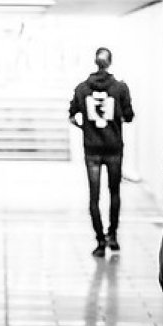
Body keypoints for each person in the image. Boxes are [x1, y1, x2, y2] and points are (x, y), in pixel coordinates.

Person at [69, 47, 135, 257]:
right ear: (110, 63)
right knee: (114, 192)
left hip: (92, 149)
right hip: (114, 147)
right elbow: (129, 115)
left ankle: (99, 241)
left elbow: (72, 116)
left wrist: (86, 128)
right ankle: (112, 235)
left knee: (94, 196)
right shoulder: (120, 88)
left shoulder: (81, 88)